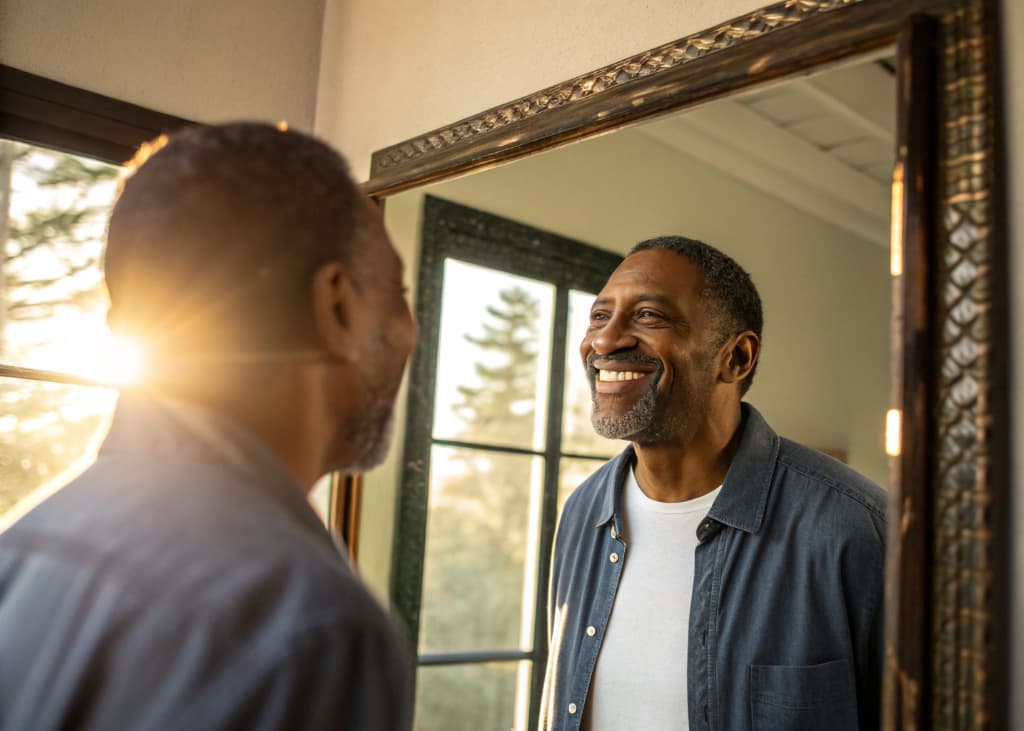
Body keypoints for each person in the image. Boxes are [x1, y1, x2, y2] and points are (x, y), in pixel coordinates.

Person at [0, 123, 416, 729]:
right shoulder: (310, 626)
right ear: (337, 307)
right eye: (398, 292)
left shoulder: (23, 548)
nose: (411, 330)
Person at [540, 236, 886, 731]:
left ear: (737, 357)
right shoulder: (582, 514)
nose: (605, 341)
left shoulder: (856, 529)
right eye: (599, 316)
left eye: (648, 316)